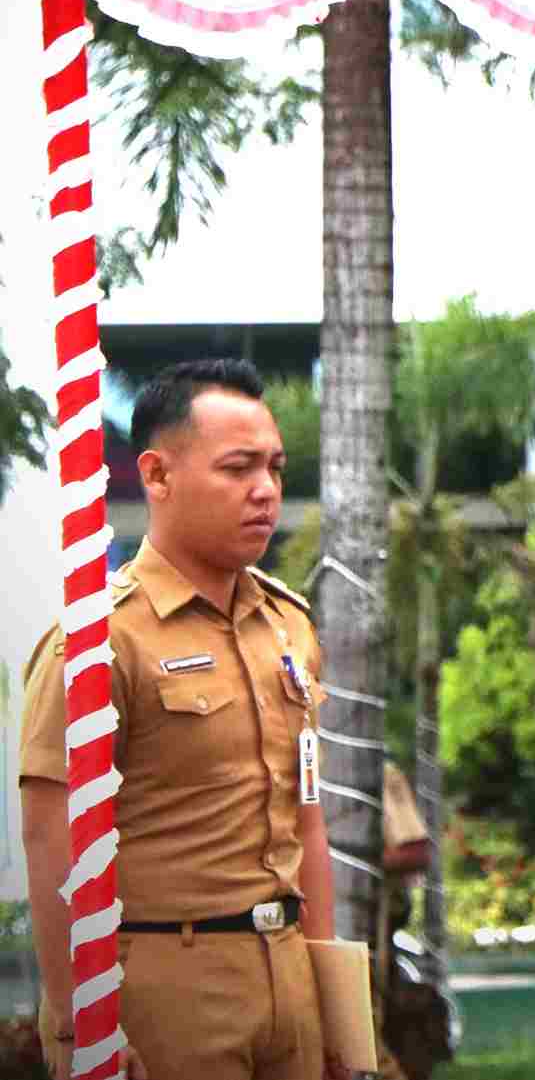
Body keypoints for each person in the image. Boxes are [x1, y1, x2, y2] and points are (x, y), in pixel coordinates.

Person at [17, 358, 345, 1080]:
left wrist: (338, 1012)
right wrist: (79, 1018)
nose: (265, 490)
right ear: (158, 476)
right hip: (164, 989)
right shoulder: (99, 639)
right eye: (237, 468)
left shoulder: (288, 627)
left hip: (288, 981)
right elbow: (51, 834)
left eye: (275, 468)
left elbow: (308, 818)